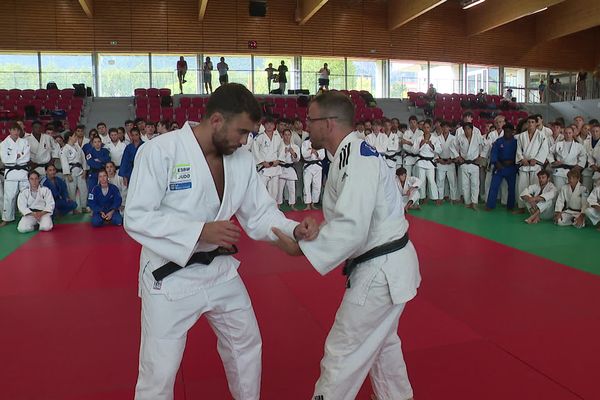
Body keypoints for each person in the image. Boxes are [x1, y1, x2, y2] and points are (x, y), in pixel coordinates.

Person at [123, 83, 317, 400]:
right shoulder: (161, 151)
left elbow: (261, 214)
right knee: (159, 371)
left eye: (249, 134)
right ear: (216, 120)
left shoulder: (240, 160)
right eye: (241, 132)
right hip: (169, 277)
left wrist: (294, 231)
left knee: (246, 343)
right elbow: (137, 216)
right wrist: (200, 230)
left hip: (220, 270)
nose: (245, 141)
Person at [272, 91, 420, 400]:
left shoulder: (357, 157)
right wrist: (321, 227)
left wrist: (300, 249)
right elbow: (354, 215)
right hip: (386, 264)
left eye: (310, 120)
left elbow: (353, 226)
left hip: (381, 271)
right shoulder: (346, 154)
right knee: (383, 347)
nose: (305, 126)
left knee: (342, 353)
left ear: (327, 123)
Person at [515, 116, 549, 213]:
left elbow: (544, 150)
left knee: (535, 187)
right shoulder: (522, 136)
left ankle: (533, 208)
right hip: (524, 165)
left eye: (532, 122)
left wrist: (537, 160)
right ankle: (521, 207)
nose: (530, 124)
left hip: (535, 165)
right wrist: (522, 159)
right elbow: (518, 150)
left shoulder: (541, 135)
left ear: (536, 124)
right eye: (529, 122)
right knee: (522, 186)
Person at [1, 123, 30, 227]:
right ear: (9, 130)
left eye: (18, 130)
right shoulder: (3, 144)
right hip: (11, 174)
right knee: (9, 197)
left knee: (25, 195)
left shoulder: (24, 142)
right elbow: (5, 160)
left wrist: (13, 157)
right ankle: (7, 218)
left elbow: (26, 158)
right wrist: (18, 155)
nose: (16, 132)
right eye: (14, 130)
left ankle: (27, 215)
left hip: (23, 172)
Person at [486, 123, 518, 210]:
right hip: (499, 166)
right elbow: (494, 154)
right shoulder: (498, 141)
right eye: (505, 131)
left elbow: (518, 155)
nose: (507, 133)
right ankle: (490, 205)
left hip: (511, 167)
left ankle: (510, 206)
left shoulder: (516, 142)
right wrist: (496, 163)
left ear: (512, 132)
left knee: (512, 188)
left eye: (509, 131)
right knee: (494, 186)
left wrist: (513, 162)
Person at [252, 117, 283, 200]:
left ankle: (272, 209)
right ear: (264, 125)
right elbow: (255, 150)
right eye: (267, 124)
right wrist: (262, 162)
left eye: (271, 124)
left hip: (275, 166)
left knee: (274, 191)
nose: (269, 126)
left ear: (274, 126)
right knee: (261, 190)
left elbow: (281, 149)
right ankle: (260, 209)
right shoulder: (259, 137)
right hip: (264, 167)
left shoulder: (278, 137)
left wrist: (279, 160)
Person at [547, 126, 586, 190]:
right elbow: (549, 152)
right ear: (563, 134)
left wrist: (579, 166)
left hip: (572, 171)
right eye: (566, 133)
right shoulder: (559, 144)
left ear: (573, 133)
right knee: (558, 190)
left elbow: (583, 156)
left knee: (571, 190)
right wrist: (553, 161)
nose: (568, 135)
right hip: (559, 171)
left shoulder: (578, 146)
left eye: (570, 133)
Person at [456, 122, 483, 210]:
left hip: (474, 163)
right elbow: (453, 147)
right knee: (465, 184)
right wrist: (457, 156)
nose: (467, 131)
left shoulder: (477, 137)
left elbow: (486, 145)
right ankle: (467, 202)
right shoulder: (460, 138)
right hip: (464, 163)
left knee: (475, 184)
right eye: (465, 129)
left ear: (472, 129)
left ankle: (474, 202)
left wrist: (481, 156)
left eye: (468, 129)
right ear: (463, 130)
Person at [61, 131, 89, 214]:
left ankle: (84, 206)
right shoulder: (64, 149)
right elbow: (64, 162)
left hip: (80, 171)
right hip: (71, 172)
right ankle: (73, 208)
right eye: (74, 136)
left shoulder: (77, 146)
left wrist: (85, 170)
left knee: (84, 190)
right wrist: (67, 174)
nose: (76, 137)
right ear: (69, 137)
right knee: (71, 191)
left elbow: (83, 158)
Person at [413, 120, 440, 203]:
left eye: (428, 127)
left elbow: (439, 150)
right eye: (424, 127)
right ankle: (422, 197)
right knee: (421, 180)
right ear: (422, 128)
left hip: (430, 163)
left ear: (430, 128)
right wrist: (420, 144)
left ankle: (435, 198)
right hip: (421, 162)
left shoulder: (435, 139)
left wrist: (432, 145)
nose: (426, 129)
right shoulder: (418, 139)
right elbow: (414, 151)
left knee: (431, 181)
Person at [435, 121, 459, 203]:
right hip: (440, 162)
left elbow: (456, 150)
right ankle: (440, 198)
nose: (445, 129)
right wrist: (438, 159)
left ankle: (453, 198)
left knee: (452, 181)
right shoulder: (437, 138)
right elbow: (435, 151)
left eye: (447, 127)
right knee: (440, 181)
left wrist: (452, 159)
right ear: (441, 128)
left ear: (450, 128)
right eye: (443, 127)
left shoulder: (454, 138)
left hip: (450, 162)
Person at [277, 129, 300, 210]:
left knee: (292, 188)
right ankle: (278, 205)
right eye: (285, 135)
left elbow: (297, 160)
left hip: (290, 168)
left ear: (291, 136)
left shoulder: (295, 147)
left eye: (288, 135)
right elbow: (277, 158)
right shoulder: (279, 146)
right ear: (282, 136)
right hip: (281, 168)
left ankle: (292, 204)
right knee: (279, 189)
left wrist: (293, 153)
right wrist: (284, 152)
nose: (287, 136)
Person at [301, 131, 326, 210]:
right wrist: (311, 151)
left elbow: (322, 156)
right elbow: (304, 155)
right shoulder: (305, 143)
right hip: (308, 166)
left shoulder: (320, 144)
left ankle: (313, 203)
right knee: (307, 185)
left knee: (317, 185)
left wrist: (315, 152)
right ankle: (307, 204)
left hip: (317, 166)